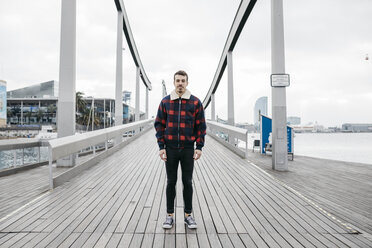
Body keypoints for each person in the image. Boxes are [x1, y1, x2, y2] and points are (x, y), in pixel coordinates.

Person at [154, 70, 206, 229]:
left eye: (183, 81)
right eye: (178, 81)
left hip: (188, 149)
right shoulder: (165, 102)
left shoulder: (195, 102)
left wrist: (199, 147)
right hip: (170, 149)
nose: (180, 84)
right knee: (171, 182)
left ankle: (188, 215)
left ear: (187, 83)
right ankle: (169, 216)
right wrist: (161, 147)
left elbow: (201, 126)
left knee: (187, 182)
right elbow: (159, 125)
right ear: (174, 82)